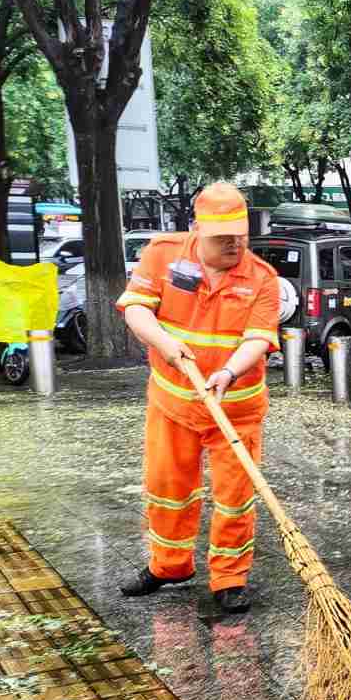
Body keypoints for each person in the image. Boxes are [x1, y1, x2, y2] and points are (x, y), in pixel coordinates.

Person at [114, 183, 282, 614]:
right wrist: (166, 346)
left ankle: (229, 577)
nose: (233, 244)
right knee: (168, 487)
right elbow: (136, 308)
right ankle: (169, 566)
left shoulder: (261, 277)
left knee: (234, 494)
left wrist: (227, 371)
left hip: (236, 408)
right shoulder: (164, 254)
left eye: (240, 235)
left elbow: (258, 340)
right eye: (222, 236)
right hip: (173, 403)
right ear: (197, 230)